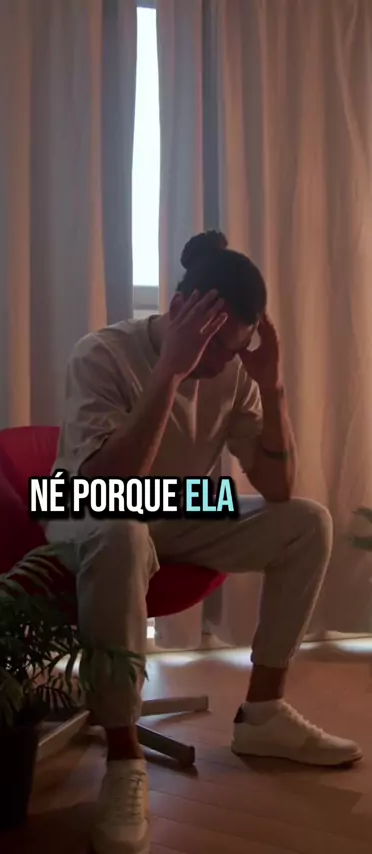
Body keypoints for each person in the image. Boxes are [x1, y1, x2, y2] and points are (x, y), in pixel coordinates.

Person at [45, 231, 362, 854]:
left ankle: (263, 714)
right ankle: (123, 757)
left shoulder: (235, 374)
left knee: (308, 522)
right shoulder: (101, 354)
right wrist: (171, 370)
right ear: (177, 308)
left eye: (235, 347)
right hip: (82, 501)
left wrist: (271, 385)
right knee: (121, 527)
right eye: (213, 343)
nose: (220, 360)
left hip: (182, 503)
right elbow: (108, 486)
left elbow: (278, 489)